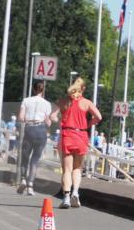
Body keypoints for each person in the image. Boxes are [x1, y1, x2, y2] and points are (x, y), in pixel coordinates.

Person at [55, 77, 102, 209]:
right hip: (81, 135)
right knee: (77, 168)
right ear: (83, 89)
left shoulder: (64, 102)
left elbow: (52, 115)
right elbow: (99, 117)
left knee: (67, 170)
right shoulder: (87, 103)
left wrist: (59, 119)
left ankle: (66, 198)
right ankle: (75, 192)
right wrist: (88, 124)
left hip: (67, 135)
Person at [16, 80, 57, 196]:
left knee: (25, 157)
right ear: (43, 90)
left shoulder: (26, 101)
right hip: (41, 131)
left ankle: (23, 179)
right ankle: (30, 186)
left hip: (29, 129)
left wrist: (27, 120)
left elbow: (20, 117)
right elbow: (48, 123)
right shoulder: (47, 104)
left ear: (34, 89)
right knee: (35, 160)